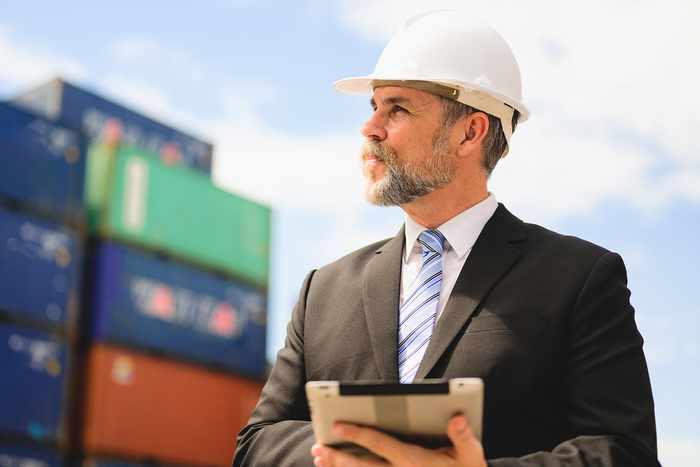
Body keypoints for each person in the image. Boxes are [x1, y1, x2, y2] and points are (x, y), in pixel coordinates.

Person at [233, 10, 659, 467]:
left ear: (469, 131)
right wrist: (349, 453)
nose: (370, 128)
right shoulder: (324, 291)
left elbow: (625, 453)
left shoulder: (579, 279)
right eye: (373, 107)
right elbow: (257, 443)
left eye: (397, 108)